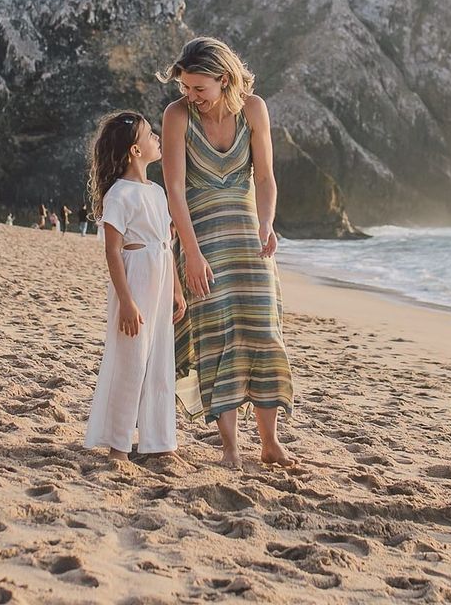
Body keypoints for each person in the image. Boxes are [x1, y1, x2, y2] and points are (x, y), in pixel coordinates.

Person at [160, 37, 295, 468]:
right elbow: (174, 189)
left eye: (199, 88)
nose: (191, 95)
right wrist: (191, 254)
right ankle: (230, 447)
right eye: (185, 87)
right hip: (200, 240)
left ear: (224, 79)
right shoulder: (177, 116)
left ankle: (270, 442)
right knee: (216, 336)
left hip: (249, 240)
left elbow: (266, 177)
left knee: (263, 332)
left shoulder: (254, 109)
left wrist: (267, 222)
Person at [82, 110, 186, 460]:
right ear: (135, 151)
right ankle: (119, 445)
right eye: (150, 134)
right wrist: (126, 301)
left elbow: (166, 245)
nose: (157, 137)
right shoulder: (120, 194)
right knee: (132, 361)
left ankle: (159, 442)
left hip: (161, 277)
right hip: (136, 280)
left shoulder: (156, 191)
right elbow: (113, 250)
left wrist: (176, 290)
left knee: (159, 362)